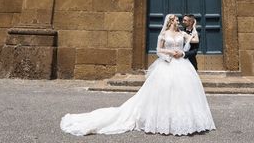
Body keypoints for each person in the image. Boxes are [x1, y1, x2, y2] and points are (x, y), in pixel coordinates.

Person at [60, 14, 215, 136]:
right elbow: (158, 50)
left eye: (177, 19)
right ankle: (161, 120)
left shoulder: (182, 33)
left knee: (182, 93)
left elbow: (195, 39)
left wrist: (184, 45)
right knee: (163, 92)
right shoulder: (164, 34)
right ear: (170, 21)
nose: (178, 21)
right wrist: (170, 52)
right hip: (167, 64)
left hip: (181, 65)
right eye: (175, 19)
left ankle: (182, 121)